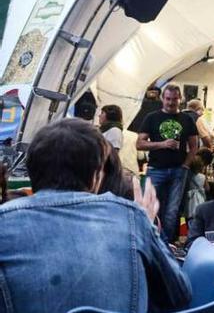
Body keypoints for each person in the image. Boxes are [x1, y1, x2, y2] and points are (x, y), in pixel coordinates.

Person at [0, 118, 191, 312]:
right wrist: (148, 227)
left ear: (31, 173)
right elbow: (179, 297)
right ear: (96, 176)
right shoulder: (132, 218)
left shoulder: (4, 222)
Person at [136, 84, 199, 243]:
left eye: (174, 99)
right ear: (162, 99)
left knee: (172, 211)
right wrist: (162, 144)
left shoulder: (187, 119)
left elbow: (194, 145)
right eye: (168, 99)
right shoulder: (152, 117)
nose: (171, 103)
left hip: (178, 170)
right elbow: (140, 144)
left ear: (180, 100)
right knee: (151, 207)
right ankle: (150, 242)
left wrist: (186, 164)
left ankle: (166, 245)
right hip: (156, 168)